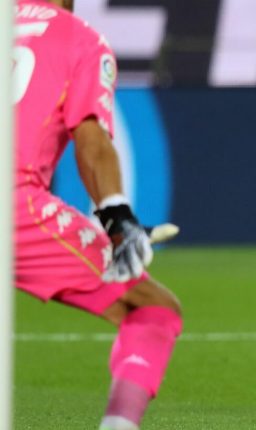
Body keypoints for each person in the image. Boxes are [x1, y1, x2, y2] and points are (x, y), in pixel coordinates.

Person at [14, 1, 183, 429]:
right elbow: (91, 142)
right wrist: (117, 216)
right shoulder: (79, 39)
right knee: (153, 310)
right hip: (13, 206)